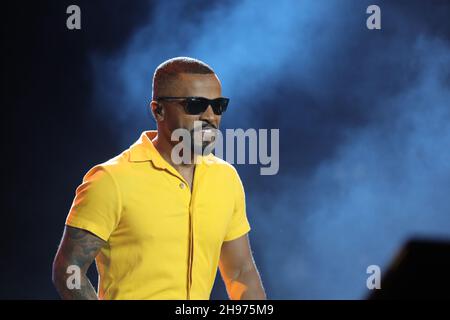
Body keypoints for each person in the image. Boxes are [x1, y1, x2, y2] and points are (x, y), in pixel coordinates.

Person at [52, 57, 266, 300]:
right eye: (195, 105)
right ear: (158, 110)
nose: (211, 117)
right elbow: (68, 270)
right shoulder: (111, 179)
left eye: (218, 106)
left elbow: (241, 272)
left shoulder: (226, 178)